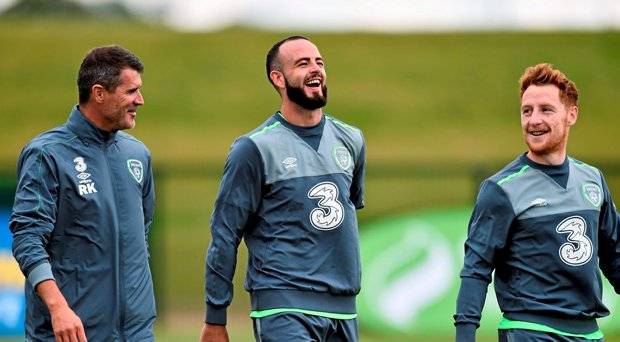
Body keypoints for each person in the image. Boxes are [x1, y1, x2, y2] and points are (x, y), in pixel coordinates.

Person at [200, 36, 366, 342]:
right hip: (283, 307)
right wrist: (215, 317)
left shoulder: (351, 139)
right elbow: (224, 234)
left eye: (319, 62)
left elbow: (346, 215)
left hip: (343, 309)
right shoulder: (254, 148)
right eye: (303, 64)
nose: (315, 69)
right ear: (278, 78)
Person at [454, 63, 620, 341]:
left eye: (546, 109)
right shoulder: (501, 189)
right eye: (526, 110)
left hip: (589, 333)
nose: (533, 120)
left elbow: (615, 255)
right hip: (530, 331)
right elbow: (476, 268)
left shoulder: (592, 180)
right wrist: (465, 334)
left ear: (571, 115)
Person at [10, 45, 156, 341]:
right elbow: (27, 237)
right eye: (131, 91)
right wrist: (58, 308)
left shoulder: (137, 154)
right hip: (71, 332)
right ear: (99, 93)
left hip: (137, 334)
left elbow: (141, 233)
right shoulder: (47, 154)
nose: (140, 100)